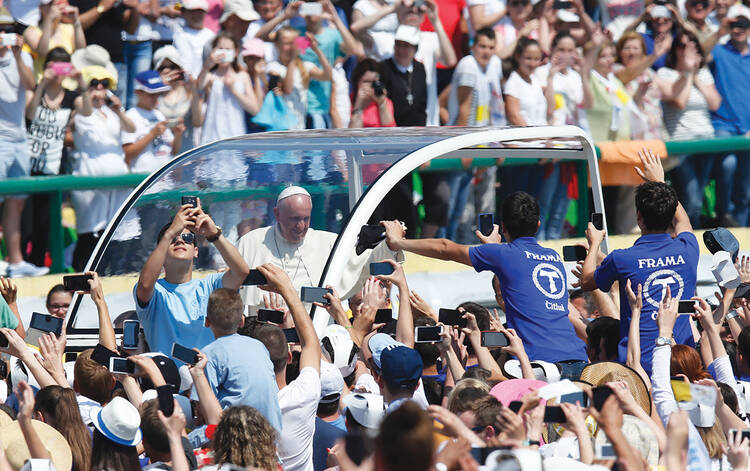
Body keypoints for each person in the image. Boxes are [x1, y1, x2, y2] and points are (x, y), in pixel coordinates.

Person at [380, 191, 588, 374]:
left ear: (503, 226)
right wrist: (494, 252)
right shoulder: (552, 257)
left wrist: (398, 242)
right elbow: (517, 282)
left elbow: (445, 248)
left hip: (540, 366)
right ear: (538, 225)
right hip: (579, 360)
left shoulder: (504, 254)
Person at [576, 149, 697, 375]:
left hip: (640, 372)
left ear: (638, 217)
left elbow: (586, 281)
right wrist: (660, 183)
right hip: (683, 366)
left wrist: (594, 243)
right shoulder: (688, 249)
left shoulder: (623, 258)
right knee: (684, 410)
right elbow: (684, 222)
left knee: (644, 412)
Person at [237, 186, 402, 308]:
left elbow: (365, 262)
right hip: (265, 333)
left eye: (306, 218)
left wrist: (391, 244)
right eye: (294, 219)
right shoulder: (251, 242)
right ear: (277, 214)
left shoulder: (328, 242)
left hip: (316, 331)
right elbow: (229, 279)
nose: (301, 226)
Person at [133, 200, 250, 356]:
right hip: (166, 378)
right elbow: (145, 285)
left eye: (187, 238)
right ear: (161, 252)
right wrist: (169, 233)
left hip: (206, 378)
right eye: (174, 238)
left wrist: (213, 234)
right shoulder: (157, 291)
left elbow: (241, 272)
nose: (180, 240)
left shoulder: (210, 285)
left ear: (196, 251)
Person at [69, 47, 136, 271]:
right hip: (90, 176)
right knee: (90, 233)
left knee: (114, 232)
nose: (100, 89)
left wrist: (119, 110)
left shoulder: (112, 112)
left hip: (115, 178)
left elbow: (132, 128)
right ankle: (81, 276)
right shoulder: (81, 104)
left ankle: (112, 272)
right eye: (94, 83)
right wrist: (85, 92)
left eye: (104, 84)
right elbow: (85, 110)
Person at [24, 48, 91, 268]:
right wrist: (43, 83)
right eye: (54, 65)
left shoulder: (72, 97)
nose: (59, 72)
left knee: (44, 223)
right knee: (26, 223)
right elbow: (30, 115)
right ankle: (22, 264)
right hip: (27, 167)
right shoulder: (35, 90)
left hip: (54, 168)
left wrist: (82, 83)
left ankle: (38, 264)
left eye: (63, 66)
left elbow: (88, 112)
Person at [0, 10, 49, 278]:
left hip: (19, 137)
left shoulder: (24, 56)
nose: (3, 34)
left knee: (16, 202)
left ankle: (16, 261)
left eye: (6, 29)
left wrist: (18, 56)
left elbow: (30, 85)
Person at [658, 29, 723, 227]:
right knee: (691, 200)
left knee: (698, 198)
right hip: (681, 144)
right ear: (675, 50)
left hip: (706, 142)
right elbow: (680, 102)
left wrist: (694, 74)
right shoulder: (665, 73)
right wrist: (686, 72)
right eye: (683, 45)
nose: (689, 49)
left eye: (693, 44)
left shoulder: (703, 73)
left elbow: (715, 103)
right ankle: (687, 239)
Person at [193, 288, 282, 432]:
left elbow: (202, 409)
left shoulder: (208, 354)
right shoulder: (259, 346)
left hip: (237, 438)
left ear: (207, 322)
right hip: (271, 434)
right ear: (242, 321)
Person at [534, 32, 586, 240]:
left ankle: (553, 245)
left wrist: (583, 73)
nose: (565, 55)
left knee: (560, 208)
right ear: (552, 50)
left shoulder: (575, 76)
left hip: (571, 145)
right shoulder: (540, 72)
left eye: (570, 50)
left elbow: (586, 106)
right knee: (544, 204)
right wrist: (550, 76)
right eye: (561, 50)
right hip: (550, 145)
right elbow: (547, 110)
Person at [709, 6, 750, 226]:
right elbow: (700, 53)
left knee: (745, 184)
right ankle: (723, 216)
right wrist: (719, 30)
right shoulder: (719, 50)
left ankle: (742, 227)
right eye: (734, 24)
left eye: (743, 24)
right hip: (723, 123)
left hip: (749, 128)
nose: (738, 29)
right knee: (727, 165)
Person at [70, 0, 140, 103]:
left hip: (117, 62)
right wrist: (101, 9)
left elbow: (131, 29)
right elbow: (74, 25)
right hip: (88, 62)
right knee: (89, 107)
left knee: (118, 107)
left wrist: (135, 9)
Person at [267, 27, 333, 130]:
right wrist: (293, 59)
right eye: (287, 44)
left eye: (294, 43)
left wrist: (316, 49)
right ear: (277, 45)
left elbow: (328, 76)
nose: (292, 47)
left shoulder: (305, 67)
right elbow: (288, 90)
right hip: (281, 128)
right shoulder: (273, 67)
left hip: (300, 127)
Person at [198, 32, 259, 144]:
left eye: (228, 49)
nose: (224, 53)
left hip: (236, 136)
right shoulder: (210, 76)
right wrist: (206, 66)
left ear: (236, 52)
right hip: (211, 138)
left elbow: (254, 109)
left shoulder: (243, 76)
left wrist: (234, 91)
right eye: (220, 48)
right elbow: (198, 86)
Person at [122, 70, 184, 173]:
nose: (156, 98)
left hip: (165, 180)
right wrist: (152, 134)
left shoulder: (159, 114)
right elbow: (126, 154)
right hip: (143, 179)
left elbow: (173, 151)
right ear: (138, 92)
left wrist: (178, 134)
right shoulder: (130, 117)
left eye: (158, 94)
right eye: (151, 94)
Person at [22, 0, 86, 83]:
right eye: (50, 5)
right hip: (44, 84)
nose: (54, 7)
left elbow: (81, 50)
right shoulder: (31, 32)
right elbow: (42, 52)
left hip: (68, 85)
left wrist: (76, 21)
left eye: (57, 4)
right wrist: (49, 21)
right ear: (41, 8)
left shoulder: (69, 29)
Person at [349, 58, 396, 128]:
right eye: (366, 81)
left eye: (374, 82)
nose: (371, 86)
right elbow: (352, 134)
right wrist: (358, 104)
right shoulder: (348, 101)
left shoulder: (386, 102)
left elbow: (391, 132)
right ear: (357, 81)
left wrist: (381, 104)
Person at [173, 0, 214, 78]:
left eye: (200, 11)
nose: (196, 15)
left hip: (208, 82)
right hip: (191, 84)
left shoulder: (211, 35)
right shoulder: (180, 35)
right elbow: (185, 65)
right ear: (184, 13)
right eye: (192, 11)